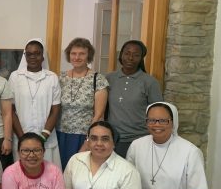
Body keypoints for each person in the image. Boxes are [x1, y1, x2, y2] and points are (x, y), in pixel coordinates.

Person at [8, 38, 62, 167]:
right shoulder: (15, 77)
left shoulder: (52, 78)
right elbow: (11, 110)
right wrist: (23, 139)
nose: (33, 57)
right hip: (21, 136)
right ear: (25, 56)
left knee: (47, 173)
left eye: (37, 53)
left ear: (43, 56)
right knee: (22, 174)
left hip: (46, 139)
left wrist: (43, 137)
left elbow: (55, 111)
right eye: (29, 54)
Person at [57, 38, 108, 169]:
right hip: (60, 135)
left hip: (83, 136)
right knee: (61, 171)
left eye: (82, 54)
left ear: (88, 56)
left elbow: (98, 115)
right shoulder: (60, 78)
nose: (77, 57)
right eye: (73, 53)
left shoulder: (98, 79)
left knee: (80, 171)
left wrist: (89, 140)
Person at [106, 40, 163, 158]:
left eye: (136, 55)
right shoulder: (109, 79)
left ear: (141, 58)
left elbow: (158, 114)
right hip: (112, 139)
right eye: (127, 53)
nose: (130, 58)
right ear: (121, 54)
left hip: (139, 140)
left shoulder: (150, 82)